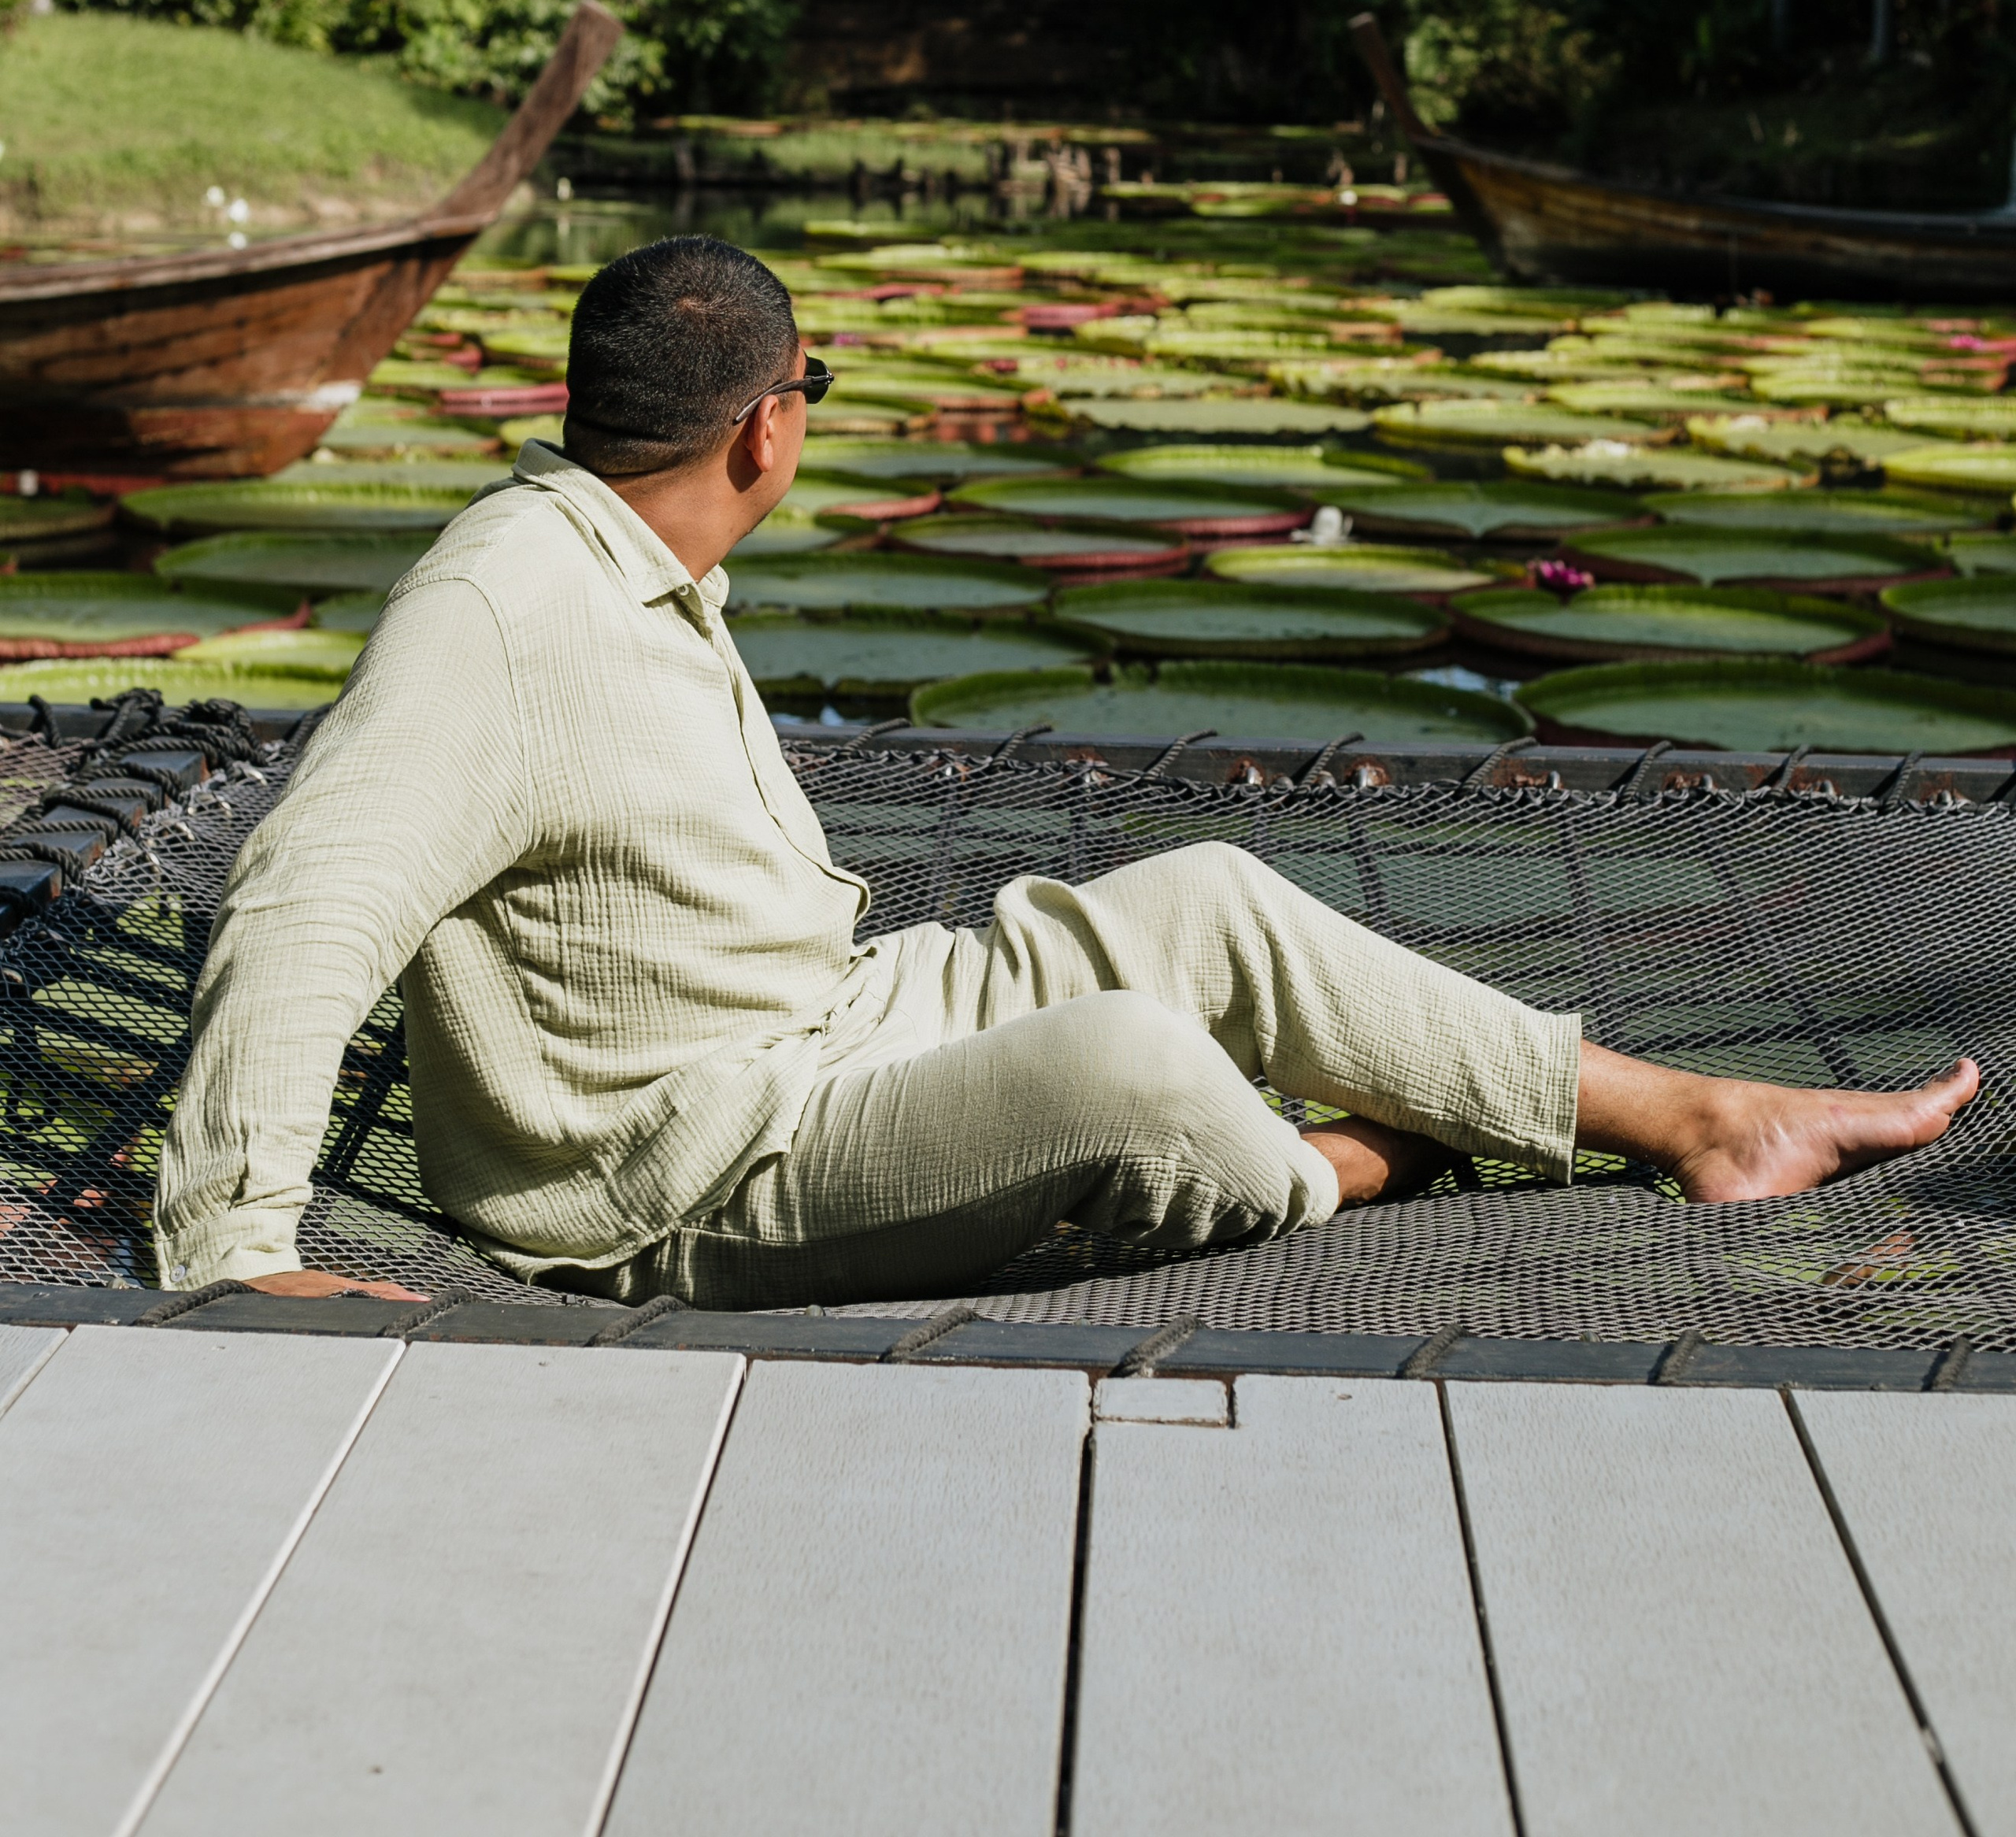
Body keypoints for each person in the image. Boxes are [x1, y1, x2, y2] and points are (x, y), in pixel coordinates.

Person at [154, 236, 1980, 1312]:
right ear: (768, 428)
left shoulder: (625, 555)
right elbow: (308, 891)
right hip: (682, 1166)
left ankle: (1693, 1119)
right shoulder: (497, 607)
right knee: (1127, 1065)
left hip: (823, 1026)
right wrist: (236, 1248)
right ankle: (1331, 1175)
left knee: (1210, 902)